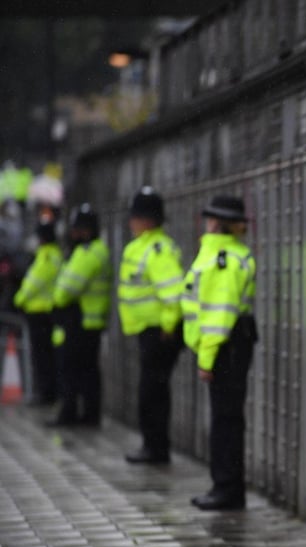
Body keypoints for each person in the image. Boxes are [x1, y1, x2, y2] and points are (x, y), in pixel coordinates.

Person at [181, 195, 257, 510]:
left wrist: (206, 359)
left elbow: (217, 315)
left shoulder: (219, 258)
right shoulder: (226, 254)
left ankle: (226, 489)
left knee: (225, 420)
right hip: (233, 343)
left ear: (215, 223)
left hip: (225, 347)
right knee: (228, 418)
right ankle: (226, 487)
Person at [119, 186, 185, 464]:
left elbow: (173, 293)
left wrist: (168, 327)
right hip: (148, 330)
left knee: (153, 392)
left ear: (148, 219)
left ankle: (156, 449)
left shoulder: (158, 250)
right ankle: (152, 445)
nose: (131, 222)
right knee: (151, 390)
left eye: (135, 217)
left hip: (160, 332)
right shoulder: (142, 246)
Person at [50, 204, 112, 427]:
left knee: (74, 370)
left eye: (77, 229)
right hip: (88, 320)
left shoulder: (89, 252)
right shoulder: (94, 251)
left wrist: (56, 299)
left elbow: (67, 288)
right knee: (87, 371)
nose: (74, 234)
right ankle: (86, 414)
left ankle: (73, 413)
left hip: (82, 320)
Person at [13, 220, 63, 406]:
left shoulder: (47, 256)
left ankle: (46, 393)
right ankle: (47, 392)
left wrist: (18, 299)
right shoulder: (52, 254)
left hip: (40, 312)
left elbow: (34, 282)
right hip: (44, 311)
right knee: (45, 356)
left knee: (42, 356)